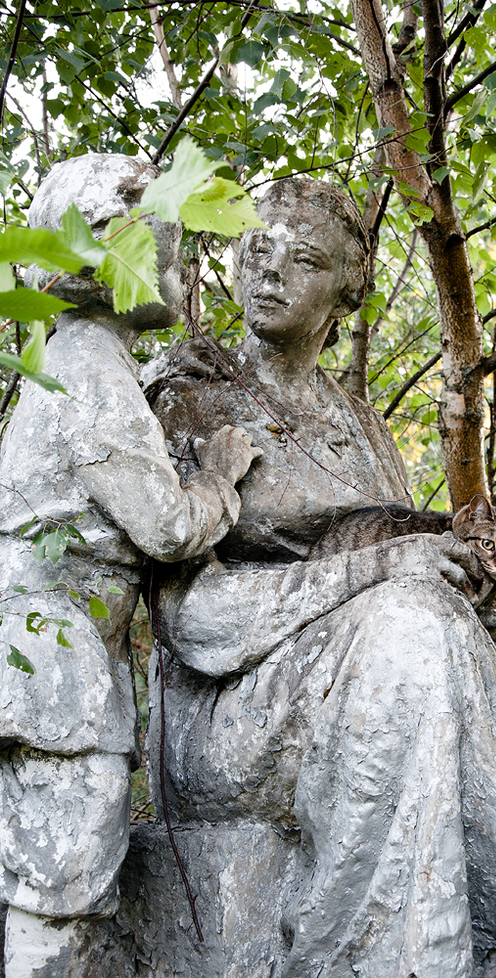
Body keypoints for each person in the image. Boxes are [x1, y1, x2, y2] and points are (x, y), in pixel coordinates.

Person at [143, 178, 496, 978]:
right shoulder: (191, 397)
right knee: (407, 625)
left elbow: (406, 559)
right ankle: (379, 958)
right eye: (254, 248)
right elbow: (195, 618)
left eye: (302, 259)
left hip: (360, 678)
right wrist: (389, 568)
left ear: (347, 290)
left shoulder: (361, 422)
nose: (269, 272)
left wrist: (465, 578)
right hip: (230, 713)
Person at [0, 154, 260, 977]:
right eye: (171, 249)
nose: (182, 272)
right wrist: (218, 476)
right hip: (56, 670)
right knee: (61, 886)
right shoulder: (87, 366)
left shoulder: (84, 360)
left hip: (55, 656)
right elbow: (167, 527)